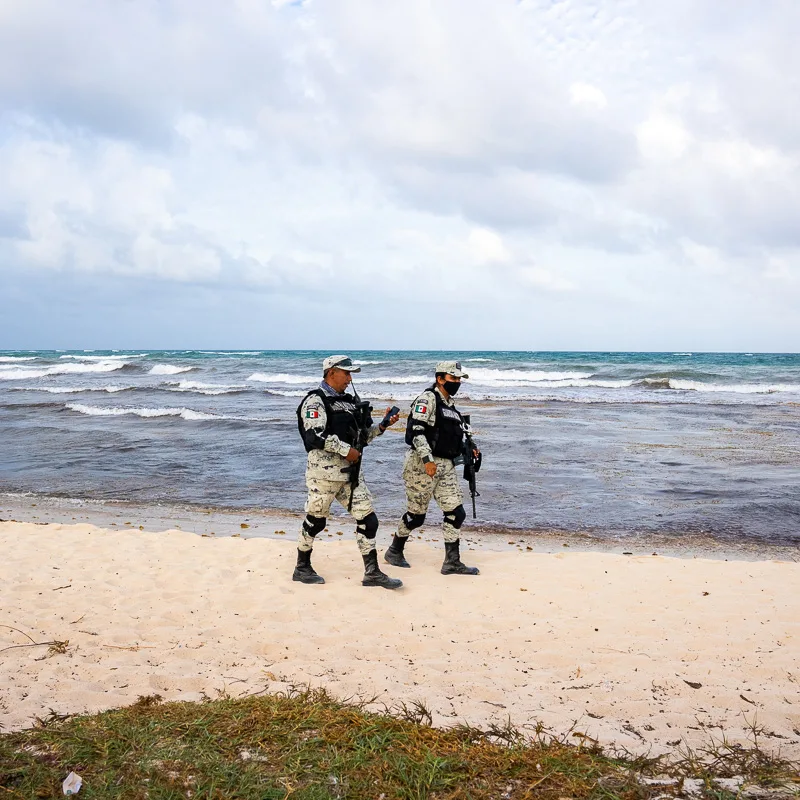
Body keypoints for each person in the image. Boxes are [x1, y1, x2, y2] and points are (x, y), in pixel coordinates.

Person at [293, 354, 402, 589]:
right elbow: (315, 436)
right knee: (315, 522)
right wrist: (345, 451)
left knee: (369, 520)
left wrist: (383, 426)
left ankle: (372, 572)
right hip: (324, 475)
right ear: (331, 372)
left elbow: (362, 439)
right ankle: (302, 567)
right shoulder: (316, 401)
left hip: (350, 476)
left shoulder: (350, 402)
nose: (349, 378)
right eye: (346, 373)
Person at [384, 361, 480, 575]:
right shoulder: (427, 399)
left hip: (445, 466)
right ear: (440, 378)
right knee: (416, 516)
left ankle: (452, 562)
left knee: (456, 512)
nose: (457, 382)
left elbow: (450, 437)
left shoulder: (451, 406)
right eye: (453, 378)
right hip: (421, 465)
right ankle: (394, 551)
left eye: (458, 379)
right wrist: (428, 460)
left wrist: (469, 448)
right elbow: (416, 431)